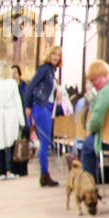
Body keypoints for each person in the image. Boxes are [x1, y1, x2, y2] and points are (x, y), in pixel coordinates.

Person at [25, 46, 64, 186]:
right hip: (40, 107)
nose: (55, 57)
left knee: (46, 142)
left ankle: (45, 174)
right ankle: (44, 174)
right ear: (49, 55)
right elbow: (30, 87)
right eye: (53, 54)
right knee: (45, 142)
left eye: (58, 55)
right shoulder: (44, 69)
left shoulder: (52, 72)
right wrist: (28, 105)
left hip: (47, 107)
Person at [0, 60, 26, 179]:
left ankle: (2, 172)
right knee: (12, 143)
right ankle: (12, 170)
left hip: (0, 114)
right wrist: (22, 120)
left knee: (1, 143)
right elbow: (18, 102)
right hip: (11, 114)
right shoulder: (12, 84)